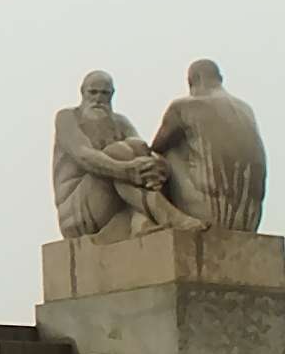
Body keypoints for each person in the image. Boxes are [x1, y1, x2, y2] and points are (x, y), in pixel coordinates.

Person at [53, 71, 202, 241]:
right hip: (77, 211)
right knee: (118, 153)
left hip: (116, 201)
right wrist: (126, 170)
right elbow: (84, 156)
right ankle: (167, 215)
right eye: (93, 92)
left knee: (136, 148)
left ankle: (142, 221)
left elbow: (143, 149)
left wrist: (157, 167)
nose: (98, 99)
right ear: (82, 92)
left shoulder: (120, 122)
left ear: (112, 94)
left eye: (104, 93)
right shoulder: (67, 117)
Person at [153, 61, 268, 232]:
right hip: (249, 220)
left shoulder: (183, 106)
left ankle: (169, 218)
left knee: (158, 157)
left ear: (193, 80)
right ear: (220, 78)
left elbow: (156, 147)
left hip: (207, 214)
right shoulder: (246, 109)